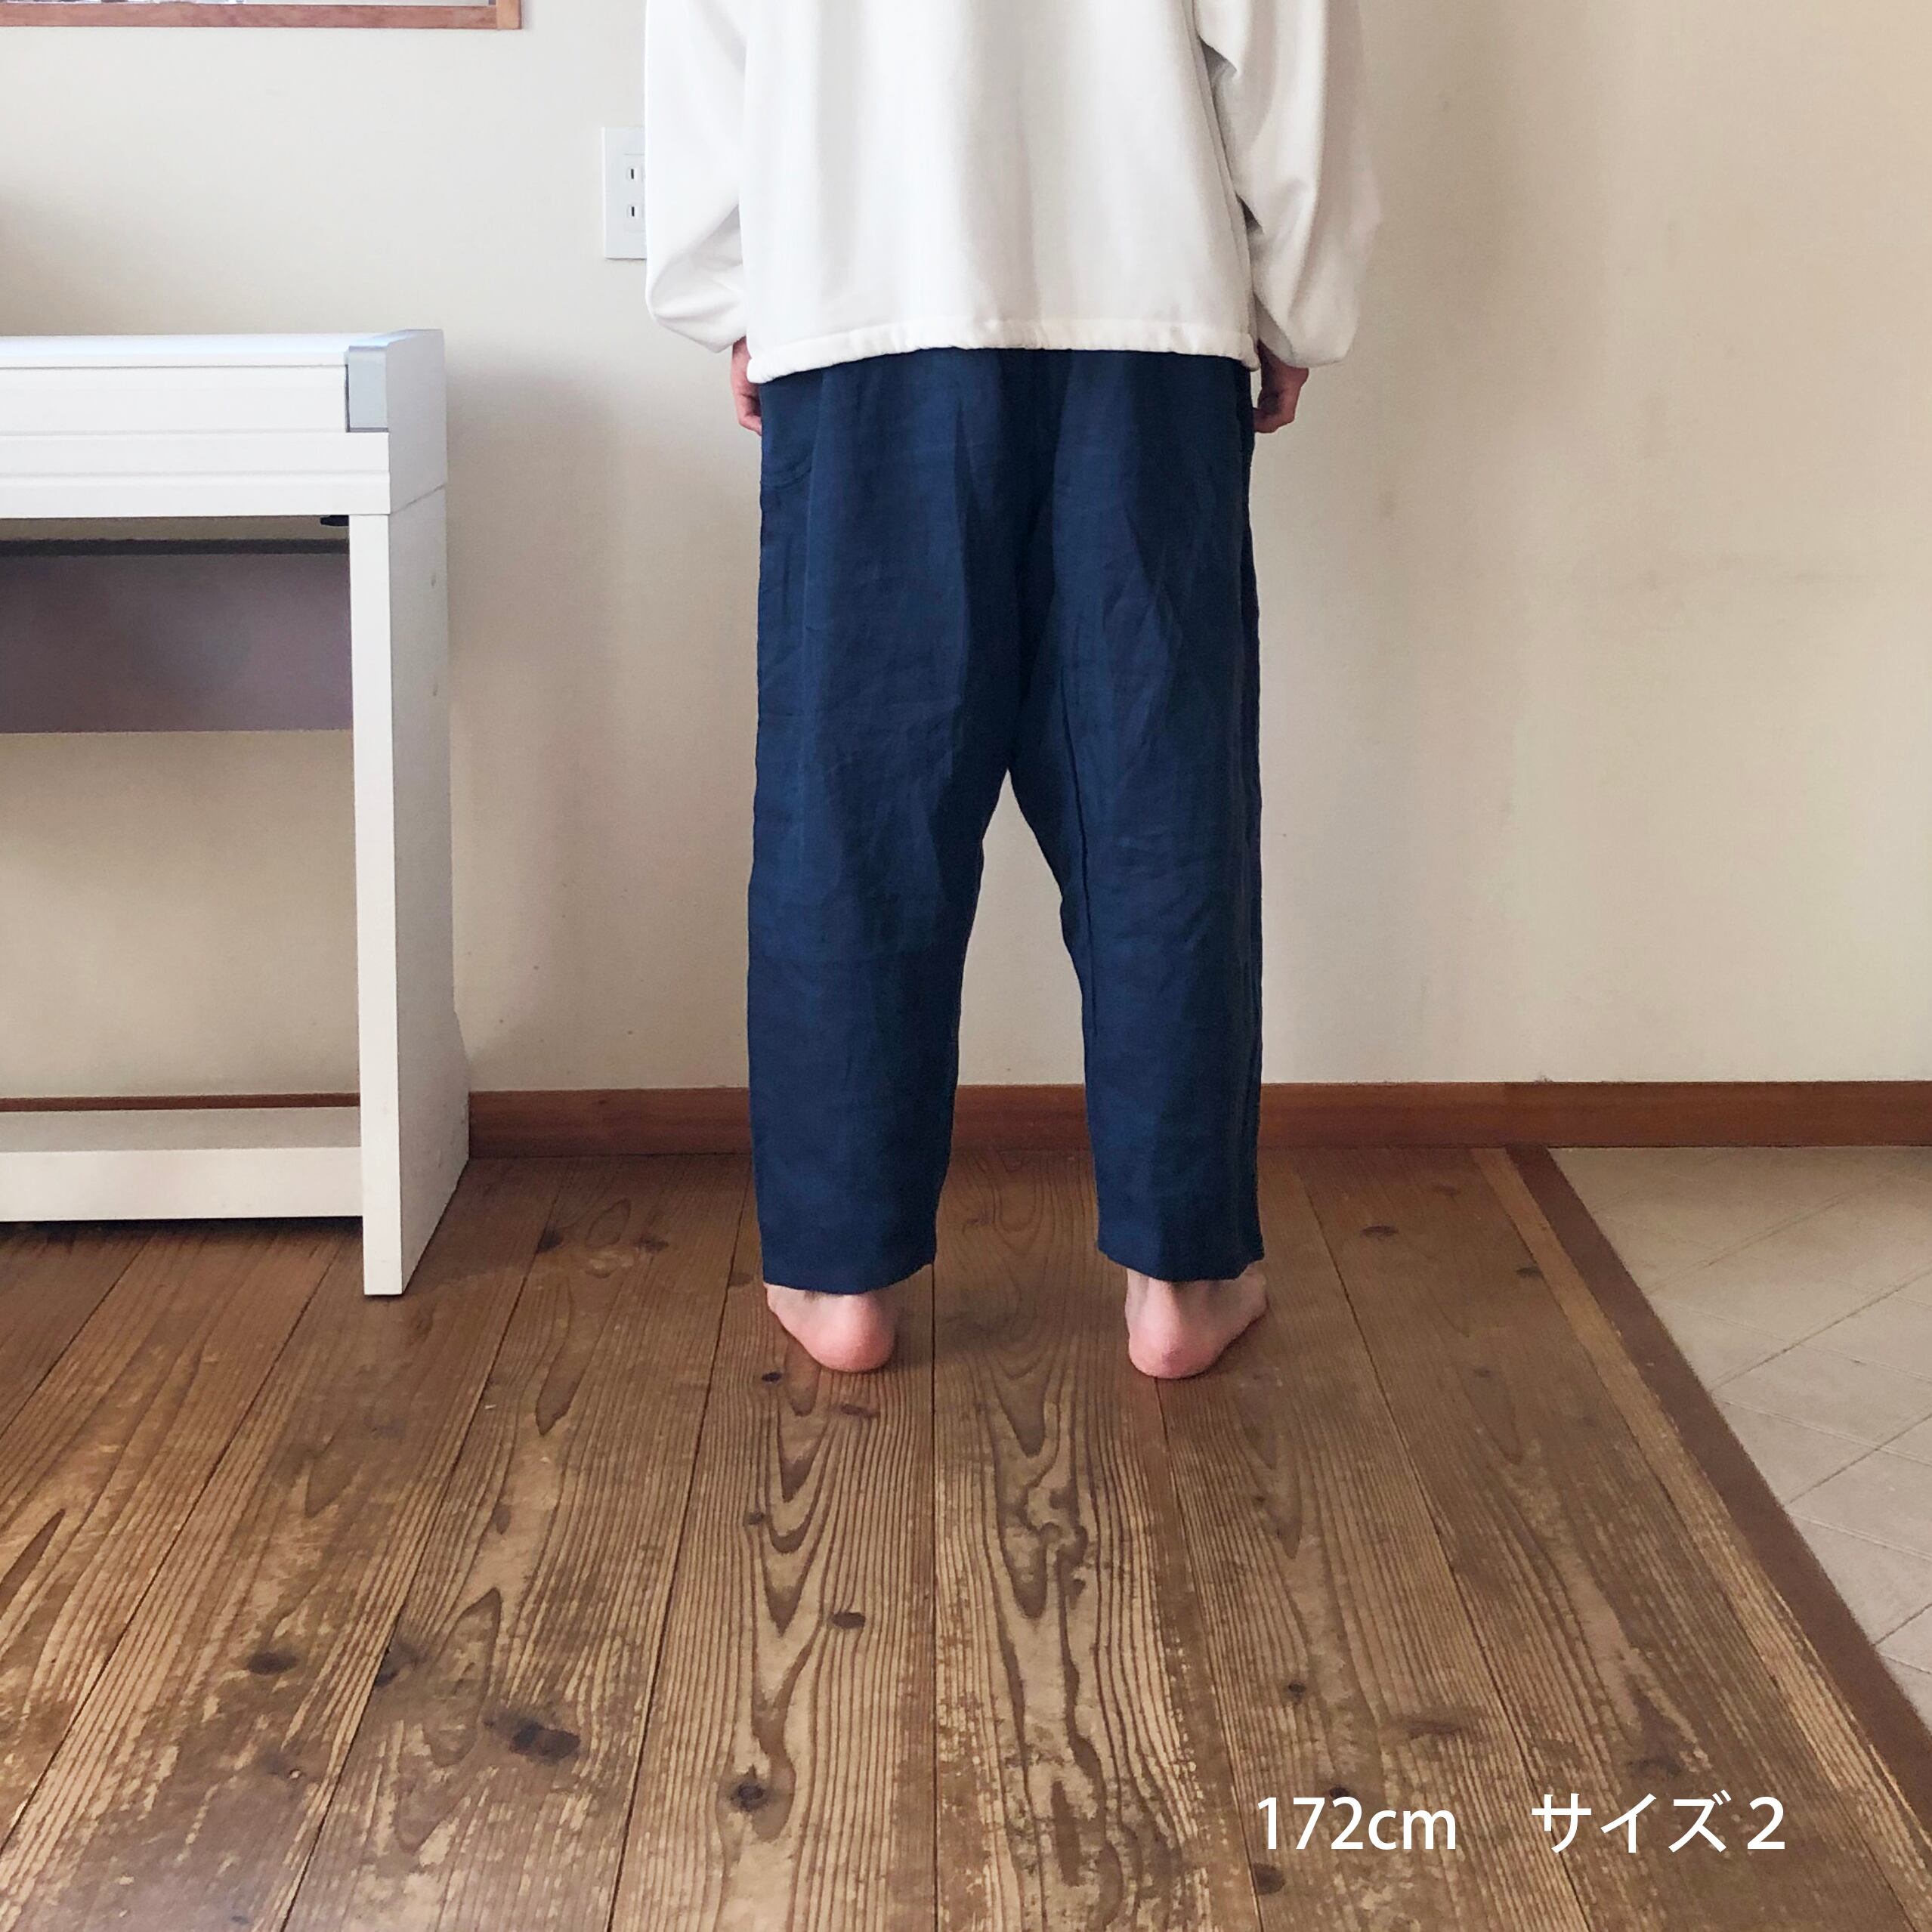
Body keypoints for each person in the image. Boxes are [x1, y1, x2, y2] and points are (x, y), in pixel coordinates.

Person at [645, 0, 1379, 1378]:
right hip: (1146, 301)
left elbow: (705, 48)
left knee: (850, 813)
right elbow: (1286, 47)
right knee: (1158, 805)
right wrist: (1292, 300)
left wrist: (736, 295)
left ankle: (841, 1272)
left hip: (860, 306)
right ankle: (1180, 1275)